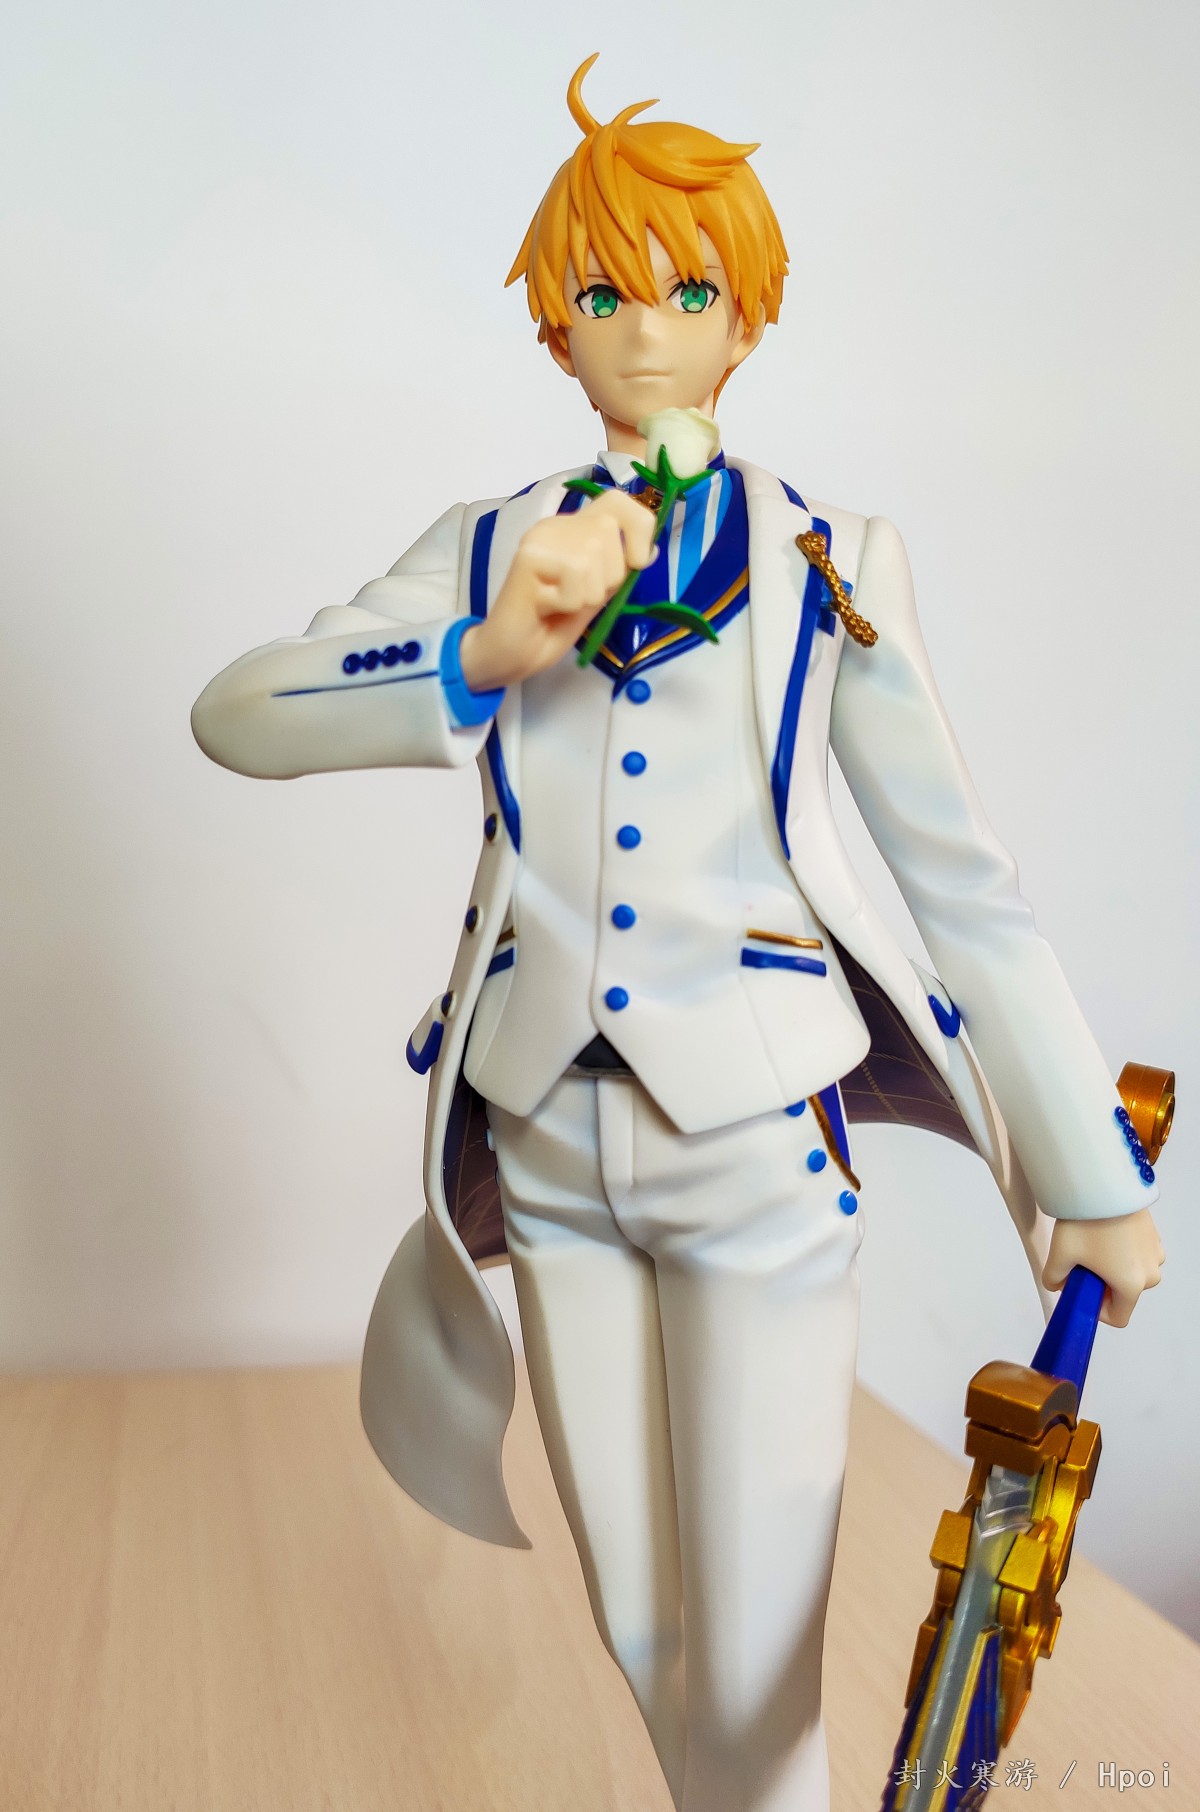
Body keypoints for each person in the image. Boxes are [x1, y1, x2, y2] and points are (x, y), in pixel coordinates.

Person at [191, 56, 1164, 1812]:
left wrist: (1087, 1169)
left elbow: (960, 881)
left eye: (689, 291)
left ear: (748, 319)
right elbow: (241, 710)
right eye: (604, 295)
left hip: (758, 1148)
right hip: (549, 1142)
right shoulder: (486, 550)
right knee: (646, 1630)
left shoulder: (828, 560)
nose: (647, 329)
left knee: (762, 1646)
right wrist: (481, 654)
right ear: (554, 330)